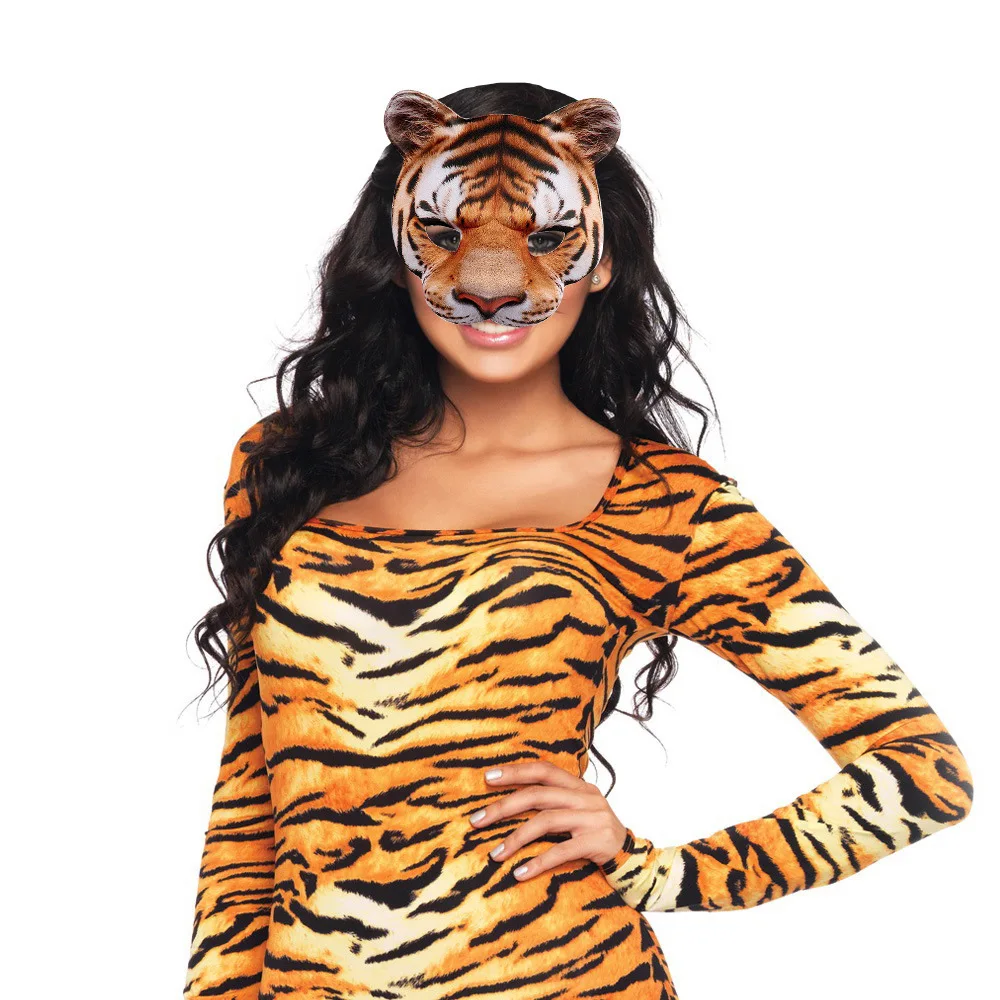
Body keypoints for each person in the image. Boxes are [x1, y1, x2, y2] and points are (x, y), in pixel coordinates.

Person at [182, 82, 973, 1000]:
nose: (489, 284)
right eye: (442, 232)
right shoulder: (290, 463)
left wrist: (657, 871)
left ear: (603, 264)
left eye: (549, 237)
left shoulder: (665, 503)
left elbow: (922, 773)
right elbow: (248, 805)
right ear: (394, 255)